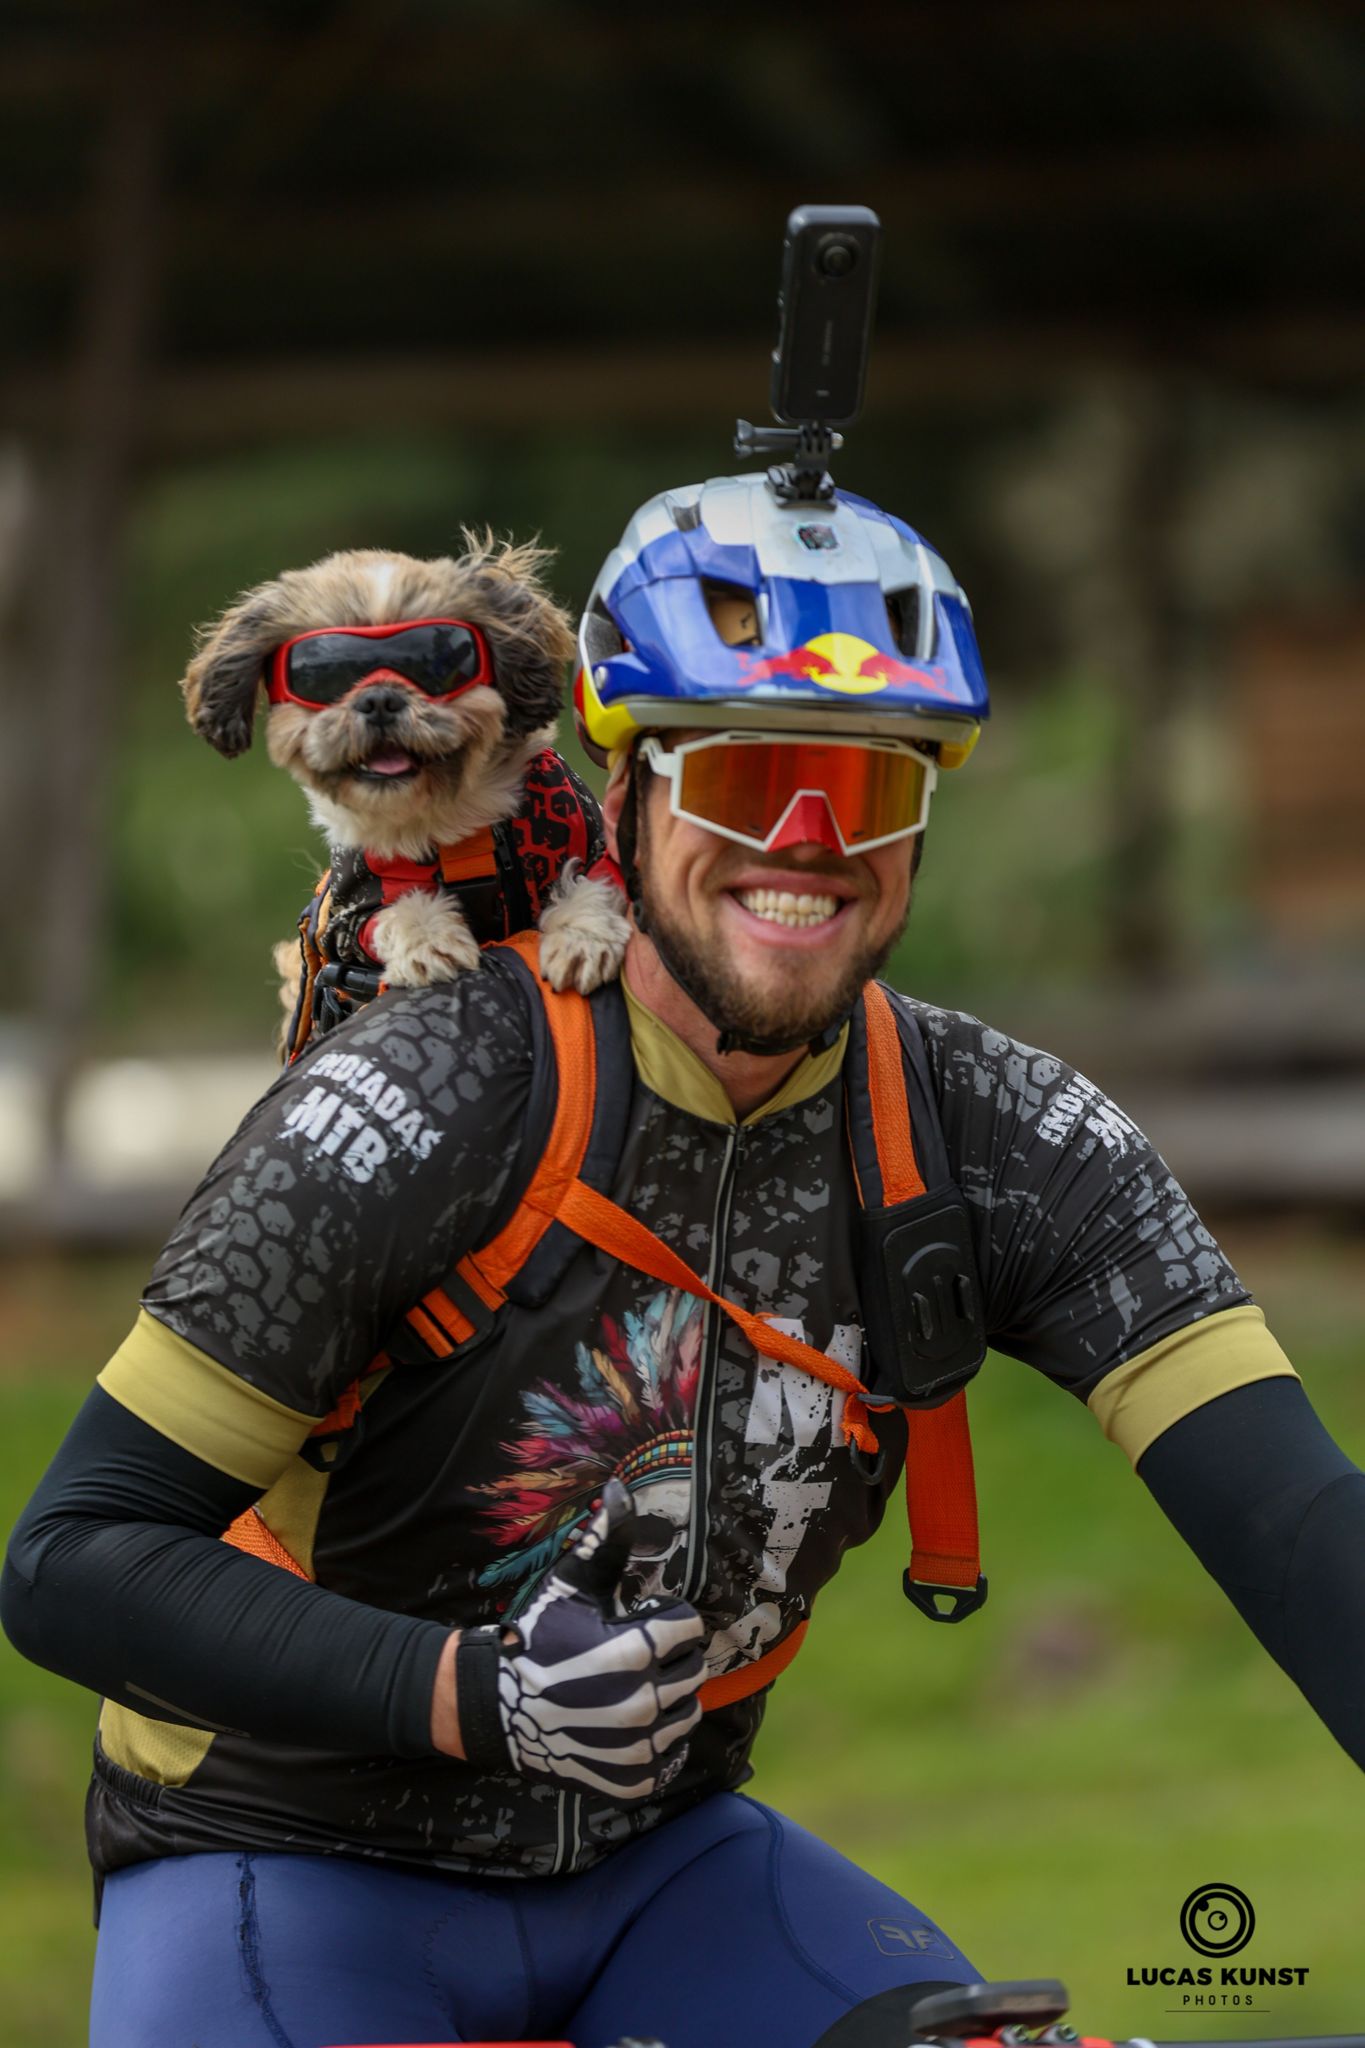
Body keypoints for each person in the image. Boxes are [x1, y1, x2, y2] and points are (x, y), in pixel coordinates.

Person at [4, 472, 1363, 2048]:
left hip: (660, 1870)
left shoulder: (999, 1133)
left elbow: (1300, 1528)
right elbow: (72, 1559)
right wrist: (469, 1694)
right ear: (623, 783)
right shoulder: (417, 1091)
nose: (804, 840)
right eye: (744, 774)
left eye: (866, 788)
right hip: (279, 1854)